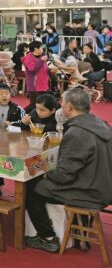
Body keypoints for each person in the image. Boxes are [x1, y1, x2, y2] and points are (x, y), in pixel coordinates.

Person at [25, 88, 112, 253]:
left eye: (62, 102)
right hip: (103, 184)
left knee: (33, 187)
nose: (61, 105)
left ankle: (47, 237)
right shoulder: (101, 124)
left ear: (70, 107)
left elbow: (64, 176)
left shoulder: (77, 132)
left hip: (88, 190)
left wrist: (43, 171)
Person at [23, 41, 50, 110]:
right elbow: (32, 69)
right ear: (36, 49)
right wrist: (41, 60)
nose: (43, 49)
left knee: (43, 106)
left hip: (44, 86)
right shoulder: (28, 58)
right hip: (34, 87)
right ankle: (20, 114)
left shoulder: (41, 57)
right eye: (41, 48)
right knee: (34, 106)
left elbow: (44, 69)